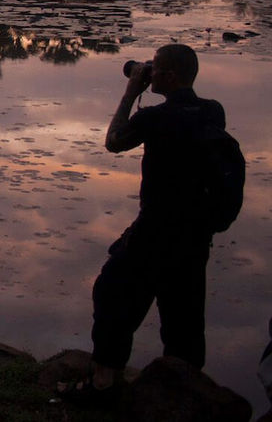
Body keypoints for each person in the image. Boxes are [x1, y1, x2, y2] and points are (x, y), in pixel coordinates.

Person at [61, 43, 226, 403]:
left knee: (112, 294)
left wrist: (130, 92)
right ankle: (185, 396)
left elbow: (114, 141)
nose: (148, 73)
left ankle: (103, 384)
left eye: (155, 69)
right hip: (196, 235)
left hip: (155, 232)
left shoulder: (156, 118)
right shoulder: (214, 112)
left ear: (167, 76)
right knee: (183, 319)